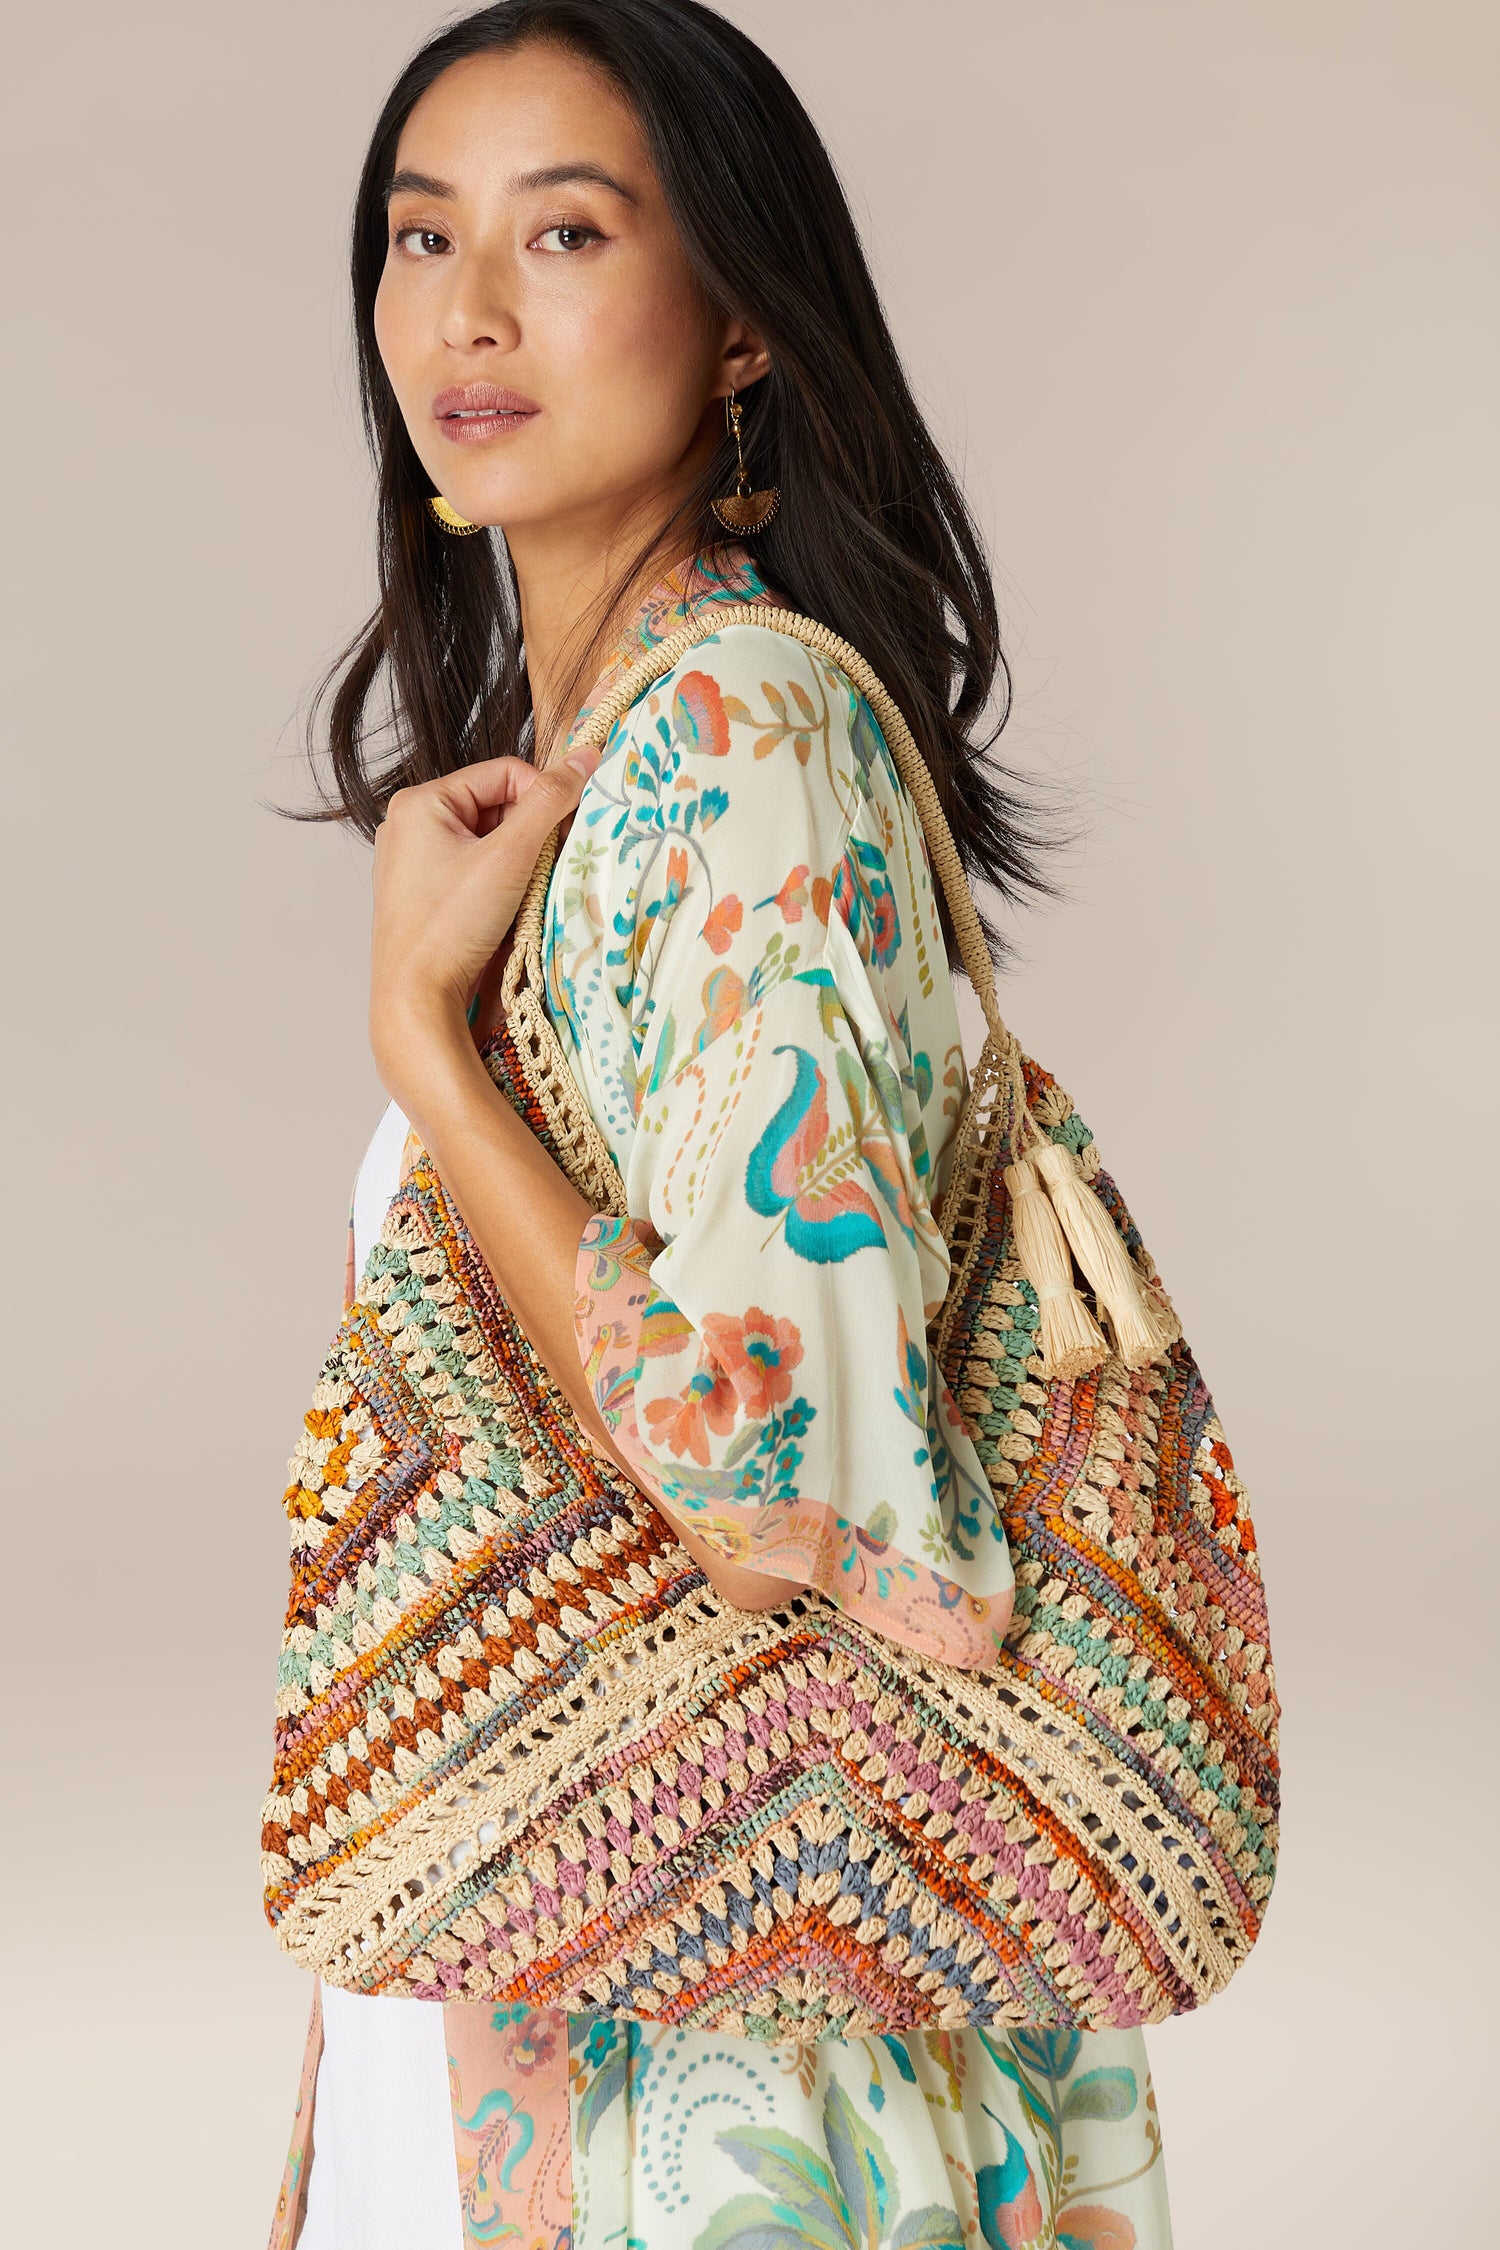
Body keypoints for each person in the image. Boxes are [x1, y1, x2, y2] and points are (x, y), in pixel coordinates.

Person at [268, 4, 1175, 2244]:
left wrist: (425, 1045)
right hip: (580, 1941)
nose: (462, 313)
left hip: (697, 2029)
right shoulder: (607, 754)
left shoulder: (739, 748)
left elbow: (776, 1490)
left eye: (564, 231)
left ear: (746, 316)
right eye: (415, 237)